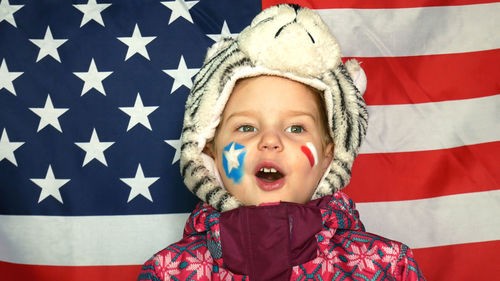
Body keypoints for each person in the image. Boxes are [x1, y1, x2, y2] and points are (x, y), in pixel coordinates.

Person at [138, 4, 425, 281]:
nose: (271, 140)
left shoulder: (386, 266)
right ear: (207, 149)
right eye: (246, 126)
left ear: (331, 156)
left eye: (296, 128)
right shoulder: (169, 272)